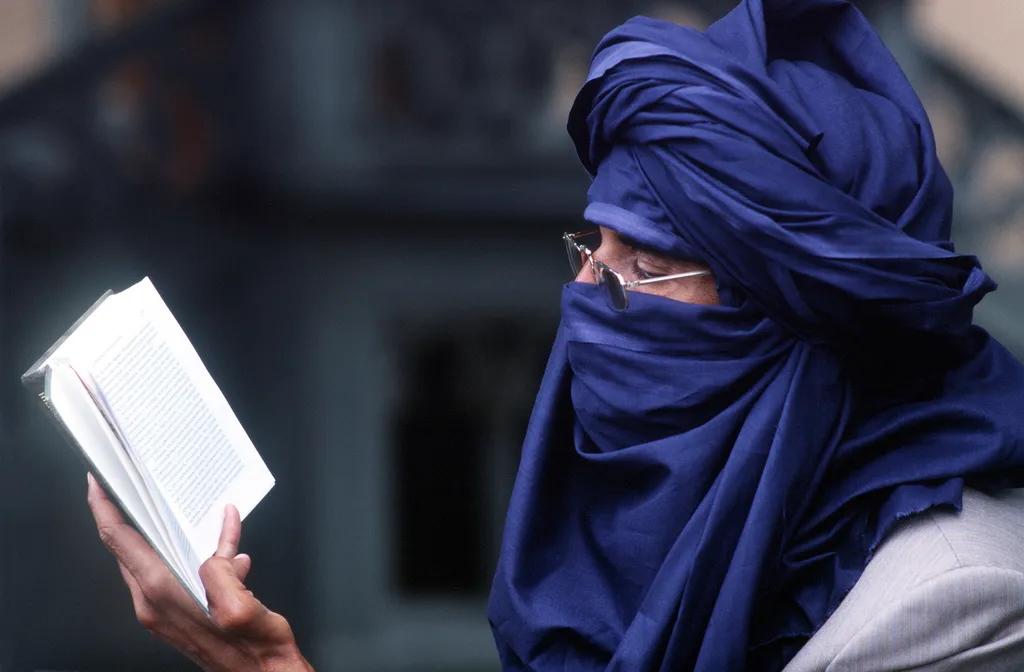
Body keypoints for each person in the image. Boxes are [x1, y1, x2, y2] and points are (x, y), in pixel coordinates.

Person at [87, 0, 1024, 671]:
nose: (588, 296)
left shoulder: (951, 602)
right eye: (591, 248)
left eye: (642, 265)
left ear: (787, 312)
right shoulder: (660, 520)